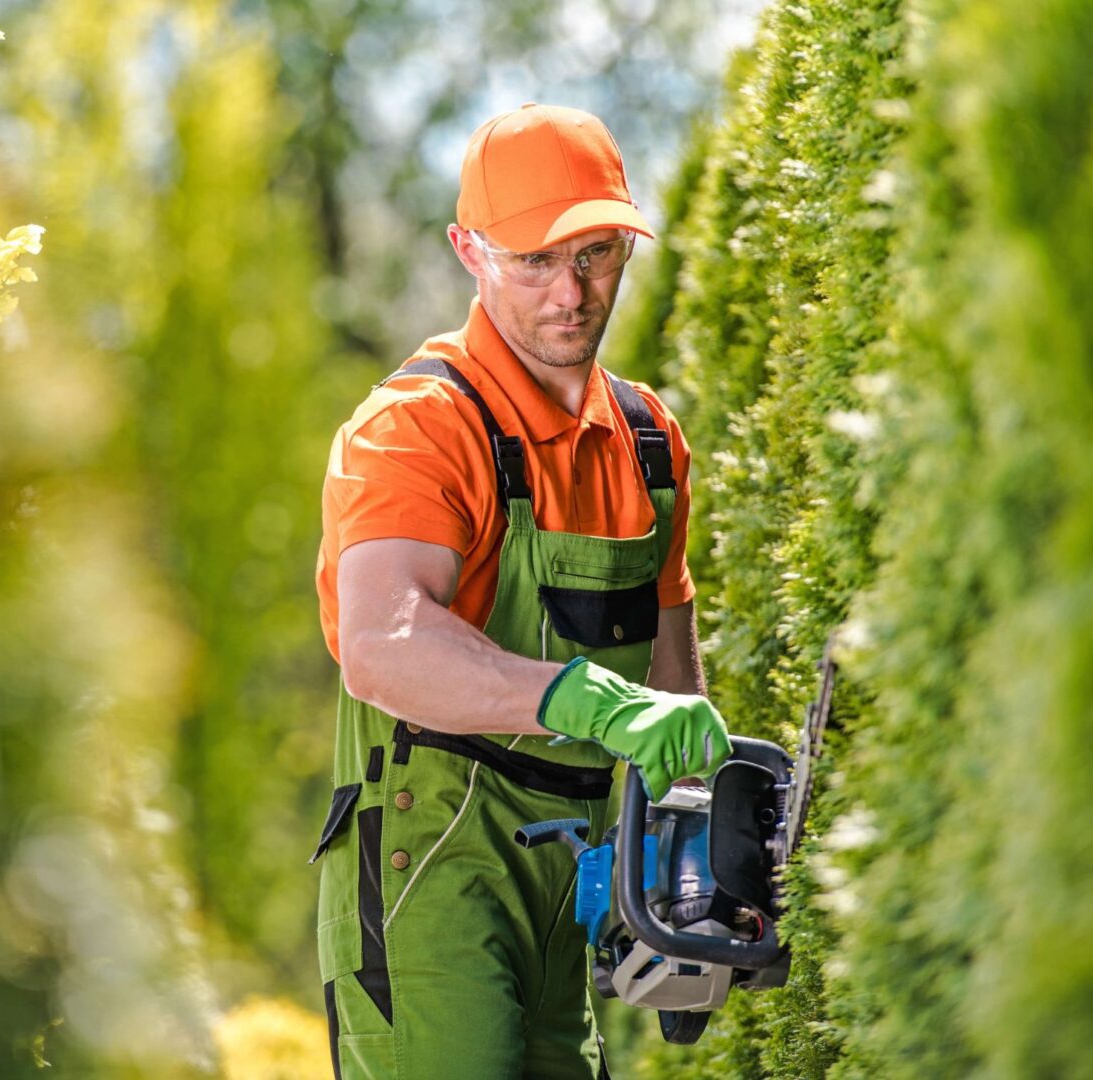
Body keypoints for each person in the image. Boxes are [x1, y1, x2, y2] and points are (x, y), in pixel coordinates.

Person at [309, 103, 733, 1079]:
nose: (571, 293)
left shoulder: (650, 443)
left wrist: (696, 858)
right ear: (469, 250)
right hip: (430, 863)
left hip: (568, 873)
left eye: (594, 254)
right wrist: (576, 698)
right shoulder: (415, 426)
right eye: (533, 261)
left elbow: (674, 685)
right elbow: (383, 642)